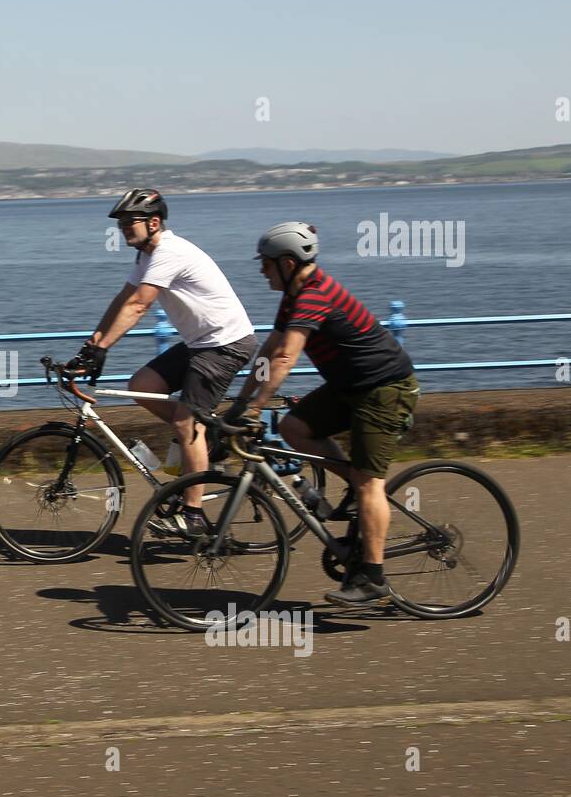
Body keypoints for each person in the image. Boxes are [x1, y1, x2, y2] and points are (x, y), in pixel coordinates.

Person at [228, 221, 420, 605]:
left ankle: (373, 577)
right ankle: (357, 487)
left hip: (385, 390)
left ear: (286, 262)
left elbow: (286, 357)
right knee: (294, 427)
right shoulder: (294, 295)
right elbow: (270, 350)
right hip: (348, 388)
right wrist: (240, 403)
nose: (261, 270)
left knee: (370, 484)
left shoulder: (315, 294)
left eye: (265, 263)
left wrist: (254, 408)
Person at [66, 188, 257, 537]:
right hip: (201, 343)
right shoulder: (146, 255)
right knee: (142, 387)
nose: (123, 228)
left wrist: (104, 347)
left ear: (154, 223)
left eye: (129, 222)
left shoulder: (169, 251)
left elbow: (140, 305)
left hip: (225, 344)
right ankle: (207, 432)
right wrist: (91, 346)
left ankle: (194, 514)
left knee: (186, 424)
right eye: (121, 223)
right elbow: (123, 298)